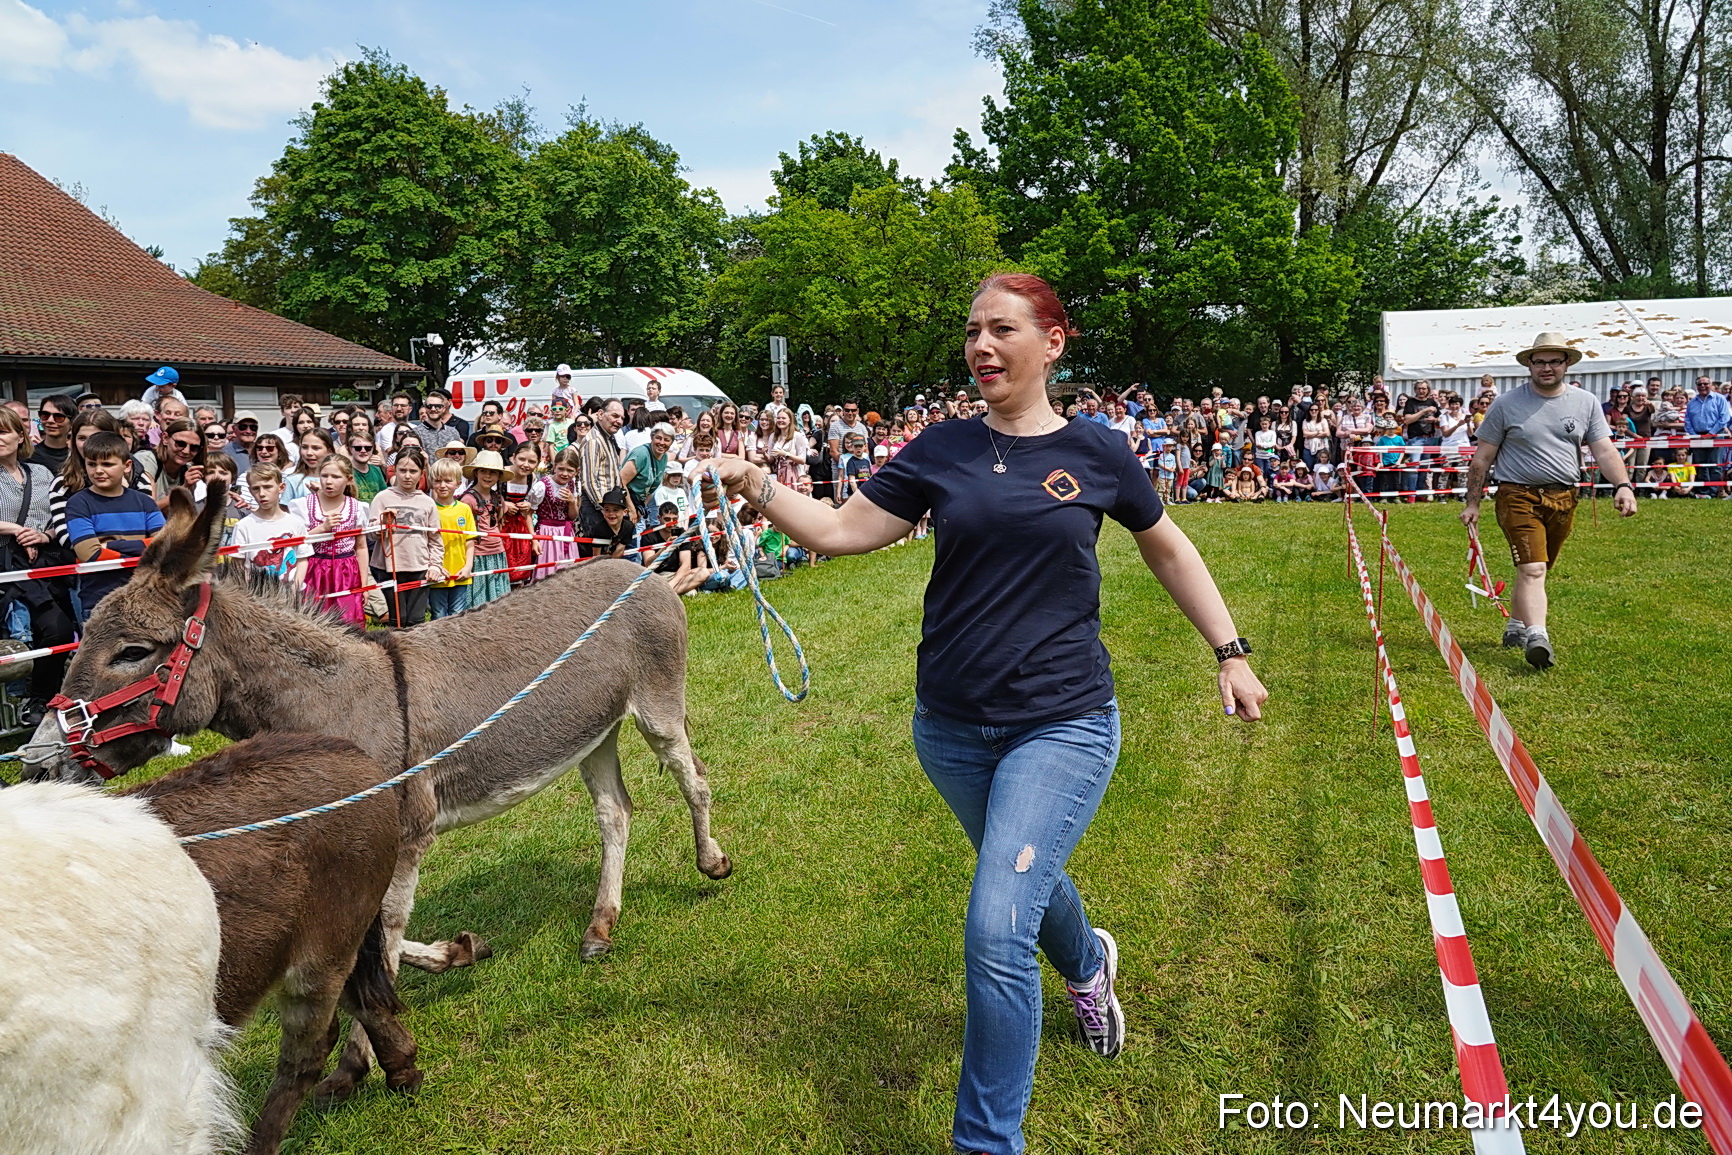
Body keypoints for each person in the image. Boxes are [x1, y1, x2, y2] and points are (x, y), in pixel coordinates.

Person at [712, 271, 1265, 1155]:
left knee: (997, 924)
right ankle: (1089, 965)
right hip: (951, 731)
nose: (981, 346)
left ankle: (985, 1143)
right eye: (972, 330)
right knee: (1024, 878)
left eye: (1001, 329)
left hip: (1064, 721)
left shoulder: (1098, 452)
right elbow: (840, 530)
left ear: (1052, 343)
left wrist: (1230, 653)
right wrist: (754, 485)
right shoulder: (941, 449)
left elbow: (1168, 548)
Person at [1460, 332, 1637, 669]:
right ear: (1529, 364)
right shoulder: (1506, 404)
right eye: (1539, 361)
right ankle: (1537, 636)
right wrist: (1473, 503)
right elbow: (1482, 459)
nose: (1546, 367)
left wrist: (1623, 486)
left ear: (1566, 364)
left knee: (1538, 567)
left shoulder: (1585, 403)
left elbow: (1603, 449)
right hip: (1518, 495)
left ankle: (1515, 625)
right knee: (1533, 567)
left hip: (1565, 497)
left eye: (1554, 361)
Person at [0, 407, 76, 723]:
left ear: (20, 435)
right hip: (4, 561)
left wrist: (43, 536)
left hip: (42, 563)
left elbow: (60, 516)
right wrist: (17, 530)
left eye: (4, 431)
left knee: (57, 629)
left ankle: (40, 699)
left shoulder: (42, 473)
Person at [65, 431, 165, 611]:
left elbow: (165, 544)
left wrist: (110, 546)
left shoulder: (145, 502)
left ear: (127, 466)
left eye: (107, 464)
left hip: (147, 597)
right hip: (99, 600)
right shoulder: (77, 503)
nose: (98, 470)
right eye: (91, 464)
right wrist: (143, 554)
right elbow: (91, 555)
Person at [369, 447, 436, 627]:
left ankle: (418, 654)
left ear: (421, 473)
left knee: (416, 620)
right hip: (389, 567)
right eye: (403, 470)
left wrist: (435, 565)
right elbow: (372, 534)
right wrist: (384, 522)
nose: (407, 476)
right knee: (397, 619)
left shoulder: (427, 502)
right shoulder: (382, 498)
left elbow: (435, 538)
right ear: (395, 470)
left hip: (418, 566)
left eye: (413, 471)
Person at [301, 455, 370, 627]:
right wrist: (322, 528)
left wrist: (364, 584)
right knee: (314, 620)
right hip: (315, 569)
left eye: (336, 477)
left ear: (348, 480)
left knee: (347, 622)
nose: (328, 482)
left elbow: (361, 547)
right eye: (324, 476)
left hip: (346, 571)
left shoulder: (357, 507)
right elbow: (298, 541)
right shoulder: (305, 504)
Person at [231, 464, 308, 586]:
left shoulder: (296, 523)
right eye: (256, 488)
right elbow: (237, 564)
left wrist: (295, 589)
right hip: (256, 595)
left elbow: (302, 559)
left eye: (267, 487)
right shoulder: (243, 526)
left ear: (281, 487)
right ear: (250, 491)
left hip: (289, 594)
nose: (262, 493)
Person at [427, 457, 476, 617]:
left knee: (458, 614)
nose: (442, 485)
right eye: (438, 481)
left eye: (448, 481)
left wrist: (468, 566)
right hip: (438, 574)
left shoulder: (464, 509)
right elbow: (424, 542)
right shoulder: (429, 509)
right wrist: (435, 566)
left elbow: (470, 540)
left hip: (460, 573)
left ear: (458, 483)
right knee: (438, 614)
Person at [461, 449, 511, 602]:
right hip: (478, 554)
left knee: (498, 593)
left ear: (499, 476)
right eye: (483, 471)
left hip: (497, 551)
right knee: (479, 595)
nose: (488, 476)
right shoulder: (468, 500)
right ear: (476, 473)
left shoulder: (497, 498)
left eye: (493, 472)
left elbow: (500, 519)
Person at [578, 398, 629, 546]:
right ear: (600, 414)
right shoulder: (594, 440)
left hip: (607, 509)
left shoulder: (607, 438)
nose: (619, 421)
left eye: (622, 418)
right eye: (615, 416)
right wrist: (606, 511)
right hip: (597, 509)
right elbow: (589, 481)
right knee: (598, 561)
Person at [533, 447, 583, 580]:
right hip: (546, 532)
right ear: (554, 467)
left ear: (576, 471)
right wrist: (534, 537)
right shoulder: (542, 485)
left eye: (569, 470)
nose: (565, 473)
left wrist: (572, 502)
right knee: (547, 572)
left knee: (568, 573)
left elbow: (573, 516)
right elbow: (530, 513)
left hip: (566, 532)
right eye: (561, 469)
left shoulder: (573, 485)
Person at [500, 441, 544, 586]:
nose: (526, 464)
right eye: (522, 459)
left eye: (532, 462)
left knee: (520, 573)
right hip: (501, 528)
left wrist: (534, 539)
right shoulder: (501, 474)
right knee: (502, 570)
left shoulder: (532, 479)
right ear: (513, 457)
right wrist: (503, 504)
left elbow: (529, 515)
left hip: (521, 530)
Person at [1684, 375, 1731, 497]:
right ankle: (1703, 491)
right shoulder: (1692, 402)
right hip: (1697, 436)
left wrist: (1711, 433)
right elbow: (1687, 421)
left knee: (1715, 464)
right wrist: (1694, 435)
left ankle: (1714, 491)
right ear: (1697, 386)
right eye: (1700, 384)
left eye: (1706, 384)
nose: (1703, 386)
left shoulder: (1720, 399)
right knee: (1700, 464)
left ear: (1711, 385)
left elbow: (1724, 418)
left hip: (1716, 434)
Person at [27, 394, 76, 475]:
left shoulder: (79, 457)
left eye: (58, 417)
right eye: (45, 415)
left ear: (72, 421)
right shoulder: (29, 457)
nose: (50, 420)